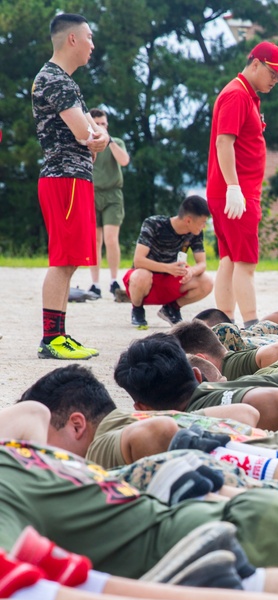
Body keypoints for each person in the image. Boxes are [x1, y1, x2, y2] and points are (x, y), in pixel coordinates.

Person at [32, 13, 110, 360]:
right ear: (73, 40)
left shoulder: (66, 81)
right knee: (63, 260)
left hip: (73, 177)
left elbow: (97, 133)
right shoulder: (55, 79)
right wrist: (95, 136)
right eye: (90, 37)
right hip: (64, 177)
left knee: (71, 260)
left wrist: (98, 135)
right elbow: (85, 133)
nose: (93, 45)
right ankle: (51, 338)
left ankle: (59, 333)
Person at [206, 41, 278, 328]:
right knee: (244, 262)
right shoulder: (236, 95)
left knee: (230, 259)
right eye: (273, 73)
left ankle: (224, 324)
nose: (276, 80)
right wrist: (234, 187)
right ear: (255, 63)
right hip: (236, 192)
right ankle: (251, 325)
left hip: (233, 192)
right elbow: (224, 142)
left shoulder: (248, 94)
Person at [123, 195, 214, 329]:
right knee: (140, 275)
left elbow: (202, 263)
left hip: (171, 279)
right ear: (189, 220)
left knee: (207, 281)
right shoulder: (154, 224)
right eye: (202, 222)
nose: (204, 226)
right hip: (146, 279)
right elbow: (138, 261)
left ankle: (171, 309)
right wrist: (167, 268)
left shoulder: (195, 233)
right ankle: (137, 309)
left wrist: (191, 271)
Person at [87, 109, 129, 300]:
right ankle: (95, 283)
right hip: (92, 193)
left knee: (111, 239)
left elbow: (124, 161)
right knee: (95, 241)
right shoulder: (87, 144)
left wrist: (109, 140)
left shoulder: (117, 142)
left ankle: (113, 280)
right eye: (97, 124)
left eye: (104, 124)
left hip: (113, 195)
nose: (101, 127)